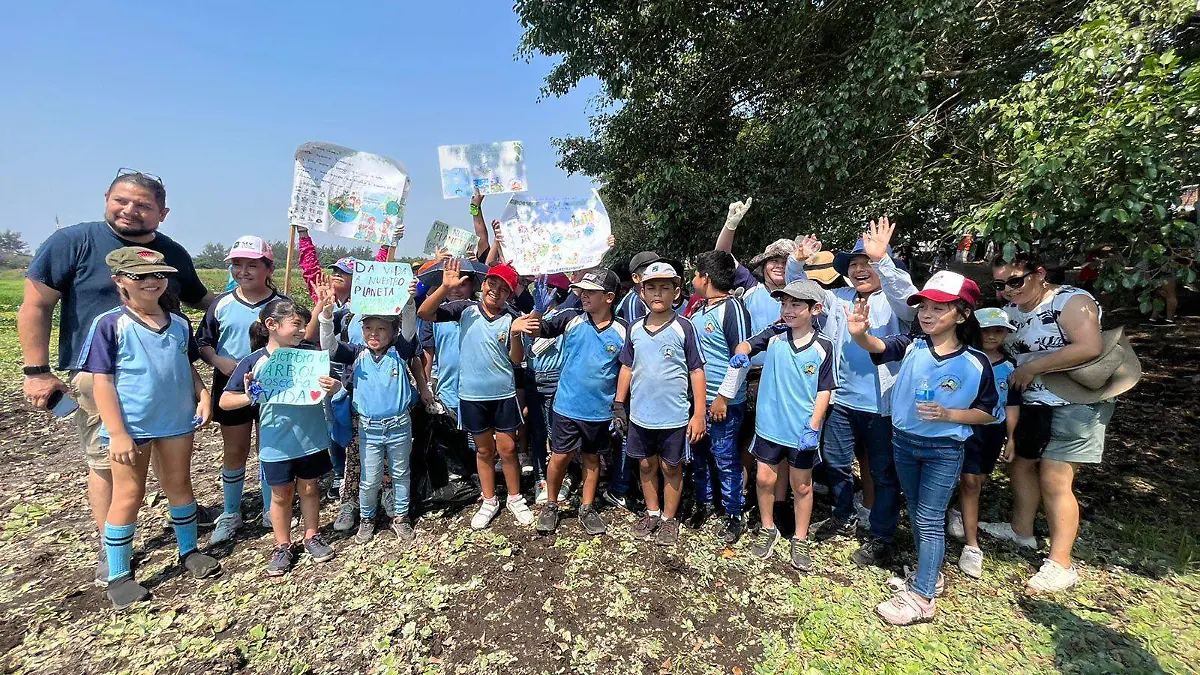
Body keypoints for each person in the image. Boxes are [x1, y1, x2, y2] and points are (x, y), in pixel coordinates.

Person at [19, 170, 213, 585]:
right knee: (111, 465)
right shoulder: (75, 242)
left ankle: (185, 547)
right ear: (106, 197)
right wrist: (36, 371)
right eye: (122, 201)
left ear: (162, 213)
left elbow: (200, 302)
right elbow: (36, 305)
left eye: (143, 205)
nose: (131, 210)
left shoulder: (172, 263)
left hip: (168, 388)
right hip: (98, 376)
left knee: (177, 478)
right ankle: (115, 556)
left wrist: (260, 303)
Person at [847, 270, 998, 625]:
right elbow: (879, 347)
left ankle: (922, 597)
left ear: (961, 314)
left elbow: (988, 414)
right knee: (917, 512)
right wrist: (860, 335)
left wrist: (949, 414)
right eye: (923, 307)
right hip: (904, 444)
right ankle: (929, 575)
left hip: (943, 450)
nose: (926, 314)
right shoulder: (913, 345)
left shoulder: (975, 363)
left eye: (938, 308)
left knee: (929, 519)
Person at [79, 247, 222, 608]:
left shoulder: (179, 324)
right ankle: (118, 574)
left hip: (176, 420)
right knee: (129, 494)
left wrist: (202, 394)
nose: (151, 282)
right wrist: (119, 431)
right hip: (132, 425)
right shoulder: (110, 324)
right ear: (119, 280)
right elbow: (103, 383)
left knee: (180, 484)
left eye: (158, 275)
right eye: (139, 276)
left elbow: (185, 365)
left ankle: (188, 551)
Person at [788, 218, 918, 567]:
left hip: (883, 405)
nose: (861, 269)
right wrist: (796, 263)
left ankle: (881, 535)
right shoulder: (840, 298)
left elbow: (908, 299)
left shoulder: (895, 302)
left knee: (881, 471)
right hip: (842, 400)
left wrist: (883, 261)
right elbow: (798, 294)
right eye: (856, 264)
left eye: (867, 263)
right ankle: (844, 513)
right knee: (835, 461)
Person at [980, 252, 1111, 592]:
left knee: (1055, 477)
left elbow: (1090, 346)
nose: (1009, 290)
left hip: (1074, 401)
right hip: (1030, 402)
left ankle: (1061, 562)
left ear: (1039, 274)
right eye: (1001, 284)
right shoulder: (1009, 313)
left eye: (1015, 281)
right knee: (1021, 465)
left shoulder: (1071, 301)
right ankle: (1021, 531)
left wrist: (1034, 367)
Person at [220, 298, 341, 576]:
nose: (302, 331)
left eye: (303, 325)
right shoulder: (255, 362)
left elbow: (333, 385)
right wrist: (250, 397)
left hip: (311, 438)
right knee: (281, 494)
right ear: (271, 325)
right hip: (276, 443)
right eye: (296, 325)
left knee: (310, 488)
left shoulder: (311, 356)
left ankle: (312, 535)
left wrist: (334, 387)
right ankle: (283, 544)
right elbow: (226, 401)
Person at [417, 259, 540, 529]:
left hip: (503, 393)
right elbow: (425, 314)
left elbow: (515, 359)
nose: (495, 290)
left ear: (509, 294)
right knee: (484, 450)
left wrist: (516, 333)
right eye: (491, 283)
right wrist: (444, 288)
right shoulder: (464, 309)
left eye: (503, 288)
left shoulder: (510, 317)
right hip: (472, 395)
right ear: (483, 284)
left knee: (508, 448)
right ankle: (489, 499)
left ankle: (515, 498)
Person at [723, 280, 835, 570]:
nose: (787, 310)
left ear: (816, 309)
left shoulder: (824, 347)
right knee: (763, 479)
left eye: (796, 304)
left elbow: (824, 390)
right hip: (769, 426)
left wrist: (814, 425)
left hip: (802, 430)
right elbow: (749, 343)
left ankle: (800, 538)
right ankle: (767, 528)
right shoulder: (775, 335)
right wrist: (742, 351)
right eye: (784, 303)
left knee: (802, 486)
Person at [318, 279, 421, 545]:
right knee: (370, 477)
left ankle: (401, 518)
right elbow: (328, 346)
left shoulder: (401, 350)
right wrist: (326, 318)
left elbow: (411, 326)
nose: (373, 334)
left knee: (400, 474)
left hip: (399, 426)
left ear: (394, 331)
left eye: (381, 329)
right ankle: (367, 519)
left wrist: (409, 302)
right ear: (361, 330)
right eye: (368, 328)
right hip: (368, 430)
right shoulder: (356, 354)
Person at [198, 236, 286, 545]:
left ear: (268, 268)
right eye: (237, 265)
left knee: (269, 448)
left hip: (273, 384)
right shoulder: (221, 304)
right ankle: (231, 511)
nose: (244, 271)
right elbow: (203, 343)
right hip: (231, 384)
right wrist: (219, 361)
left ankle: (269, 508)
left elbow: (298, 342)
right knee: (235, 450)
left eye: (252, 265)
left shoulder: (282, 305)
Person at [612, 262, 707, 546]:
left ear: (676, 292)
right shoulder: (635, 329)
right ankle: (652, 512)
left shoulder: (684, 327)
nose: (658, 293)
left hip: (674, 417)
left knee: (671, 467)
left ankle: (668, 519)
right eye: (651, 287)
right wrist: (619, 402)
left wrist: (699, 412)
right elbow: (627, 368)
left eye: (665, 287)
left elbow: (697, 370)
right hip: (640, 416)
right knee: (644, 465)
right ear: (641, 291)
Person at [532, 269, 628, 536]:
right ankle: (551, 504)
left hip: (599, 411)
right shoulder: (570, 319)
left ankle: (587, 506)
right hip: (566, 407)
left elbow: (627, 369)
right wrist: (537, 312)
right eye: (581, 290)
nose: (583, 295)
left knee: (592, 458)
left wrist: (619, 405)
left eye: (591, 291)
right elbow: (536, 331)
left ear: (609, 297)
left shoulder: (623, 331)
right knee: (560, 456)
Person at [946, 307, 1020, 578]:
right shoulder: (965, 359)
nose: (992, 336)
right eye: (986, 330)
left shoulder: (1010, 367)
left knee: (979, 481)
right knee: (970, 482)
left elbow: (1011, 405)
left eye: (998, 330)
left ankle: (957, 511)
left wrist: (1011, 437)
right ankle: (972, 545)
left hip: (993, 431)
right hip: (966, 427)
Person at [687, 250, 752, 543]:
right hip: (698, 401)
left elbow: (741, 358)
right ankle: (705, 502)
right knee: (699, 455)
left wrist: (723, 397)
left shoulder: (733, 309)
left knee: (725, 458)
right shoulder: (698, 309)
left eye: (695, 274)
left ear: (706, 278)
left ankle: (733, 513)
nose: (692, 280)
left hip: (723, 403)